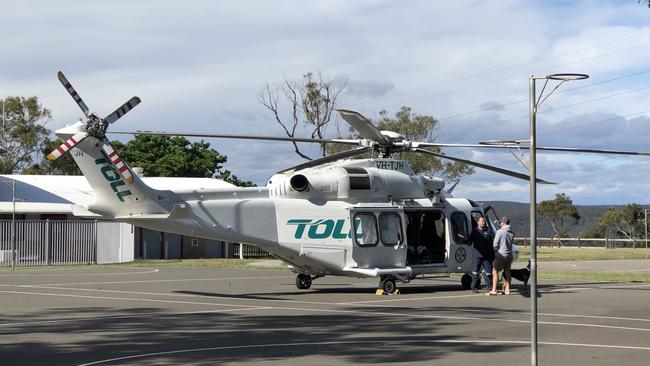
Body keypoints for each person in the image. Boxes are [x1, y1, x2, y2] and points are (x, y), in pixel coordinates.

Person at [490, 216, 515, 295]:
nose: (500, 224)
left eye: (500, 222)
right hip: (509, 255)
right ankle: (507, 289)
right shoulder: (512, 233)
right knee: (507, 271)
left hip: (501, 254)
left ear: (503, 223)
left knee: (495, 271)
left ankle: (494, 290)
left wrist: (497, 251)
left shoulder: (500, 231)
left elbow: (495, 244)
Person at [469, 216, 494, 293]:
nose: (483, 223)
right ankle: (474, 287)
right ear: (478, 222)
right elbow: (469, 242)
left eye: (484, 221)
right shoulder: (474, 231)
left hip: (487, 256)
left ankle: (489, 286)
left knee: (488, 272)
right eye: (481, 221)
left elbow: (494, 241)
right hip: (477, 255)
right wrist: (463, 239)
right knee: (475, 272)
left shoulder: (489, 231)